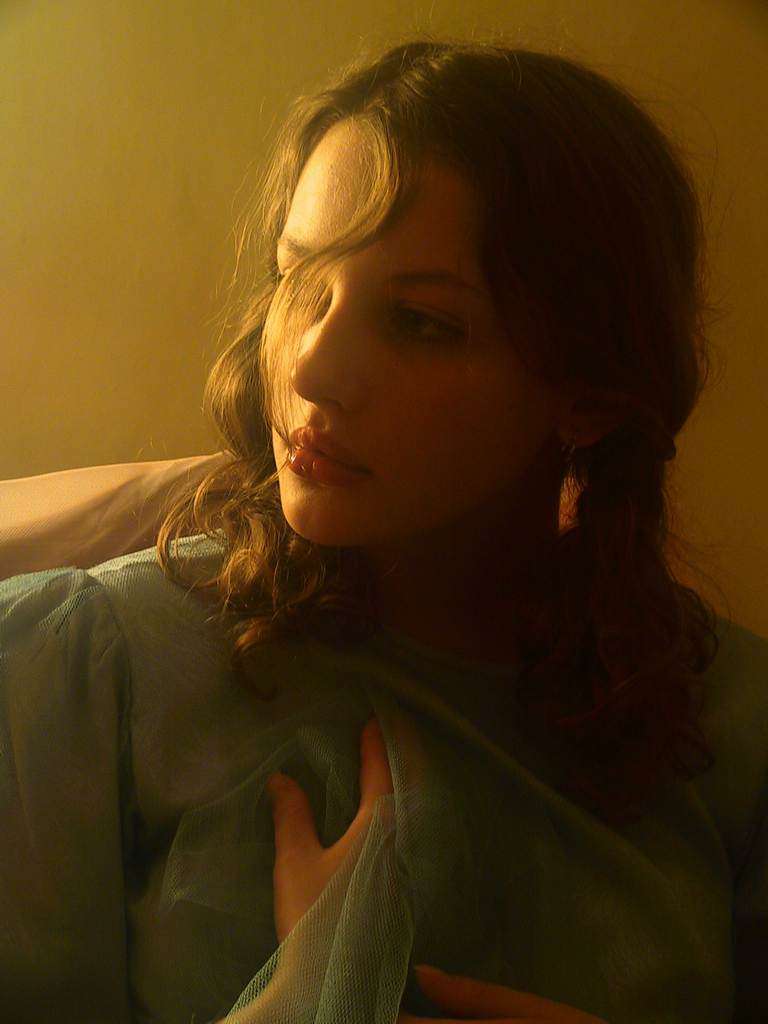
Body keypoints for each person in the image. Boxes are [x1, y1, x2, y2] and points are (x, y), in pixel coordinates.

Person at [1, 34, 766, 1024]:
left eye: (421, 323)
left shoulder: (734, 731)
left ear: (585, 391)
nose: (309, 370)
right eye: (300, 283)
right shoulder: (89, 668)